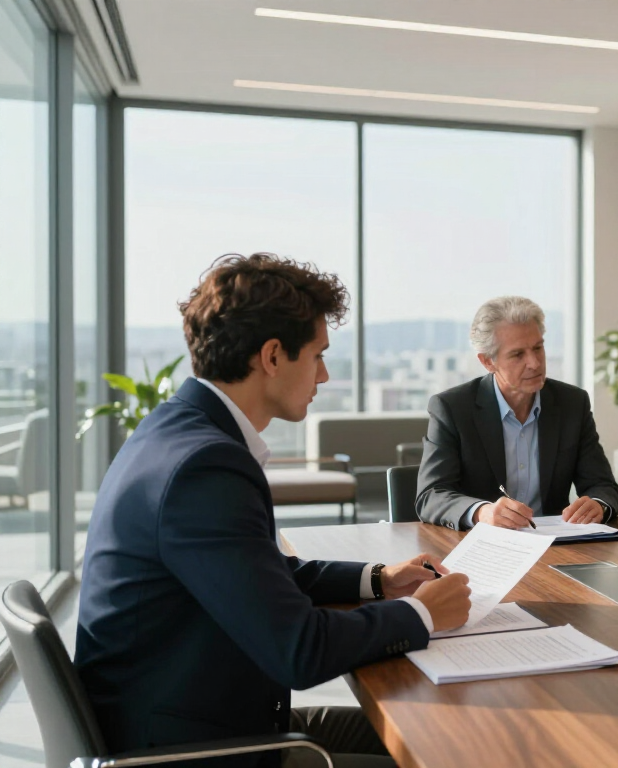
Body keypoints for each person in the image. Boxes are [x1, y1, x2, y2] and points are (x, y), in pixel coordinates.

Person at [76, 254, 473, 768]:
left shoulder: (173, 431)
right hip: (195, 751)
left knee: (441, 736)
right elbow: (300, 651)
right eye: (318, 355)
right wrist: (422, 614)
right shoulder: (205, 466)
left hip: (196, 717)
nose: (325, 375)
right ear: (272, 356)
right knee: (450, 754)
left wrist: (378, 580)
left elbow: (257, 575)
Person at [417, 296, 618, 530]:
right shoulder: (453, 408)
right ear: (487, 361)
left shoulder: (572, 403)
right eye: (518, 355)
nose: (534, 363)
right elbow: (431, 495)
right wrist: (481, 512)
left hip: (556, 546)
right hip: (480, 546)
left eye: (538, 348)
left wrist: (598, 505)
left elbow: (603, 486)